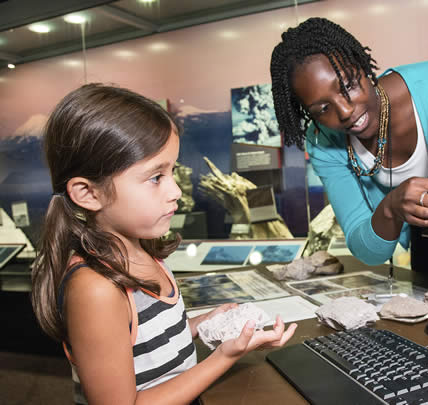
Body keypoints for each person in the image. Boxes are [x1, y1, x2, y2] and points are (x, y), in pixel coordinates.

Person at [30, 83, 297, 404]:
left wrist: (202, 324)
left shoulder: (146, 252)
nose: (175, 191)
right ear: (88, 193)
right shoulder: (96, 289)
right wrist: (224, 356)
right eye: (156, 177)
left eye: (172, 171)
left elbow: (143, 338)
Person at [270, 18, 428, 286]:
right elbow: (368, 251)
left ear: (362, 66)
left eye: (348, 85)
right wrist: (391, 208)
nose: (346, 111)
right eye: (322, 109)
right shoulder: (323, 143)